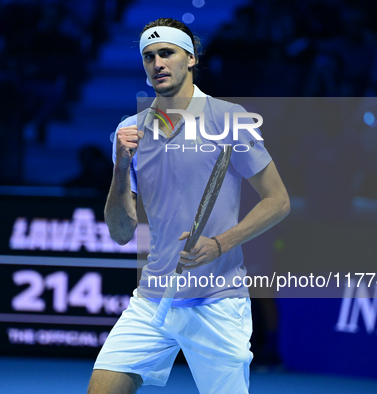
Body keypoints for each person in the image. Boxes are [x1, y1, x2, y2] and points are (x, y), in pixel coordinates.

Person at [88, 18, 290, 394]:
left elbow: (278, 201)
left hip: (217, 301)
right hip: (152, 298)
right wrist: (119, 166)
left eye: (167, 53)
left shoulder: (229, 119)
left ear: (191, 58)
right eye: (149, 57)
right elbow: (119, 232)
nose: (157, 64)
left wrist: (220, 243)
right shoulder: (131, 130)